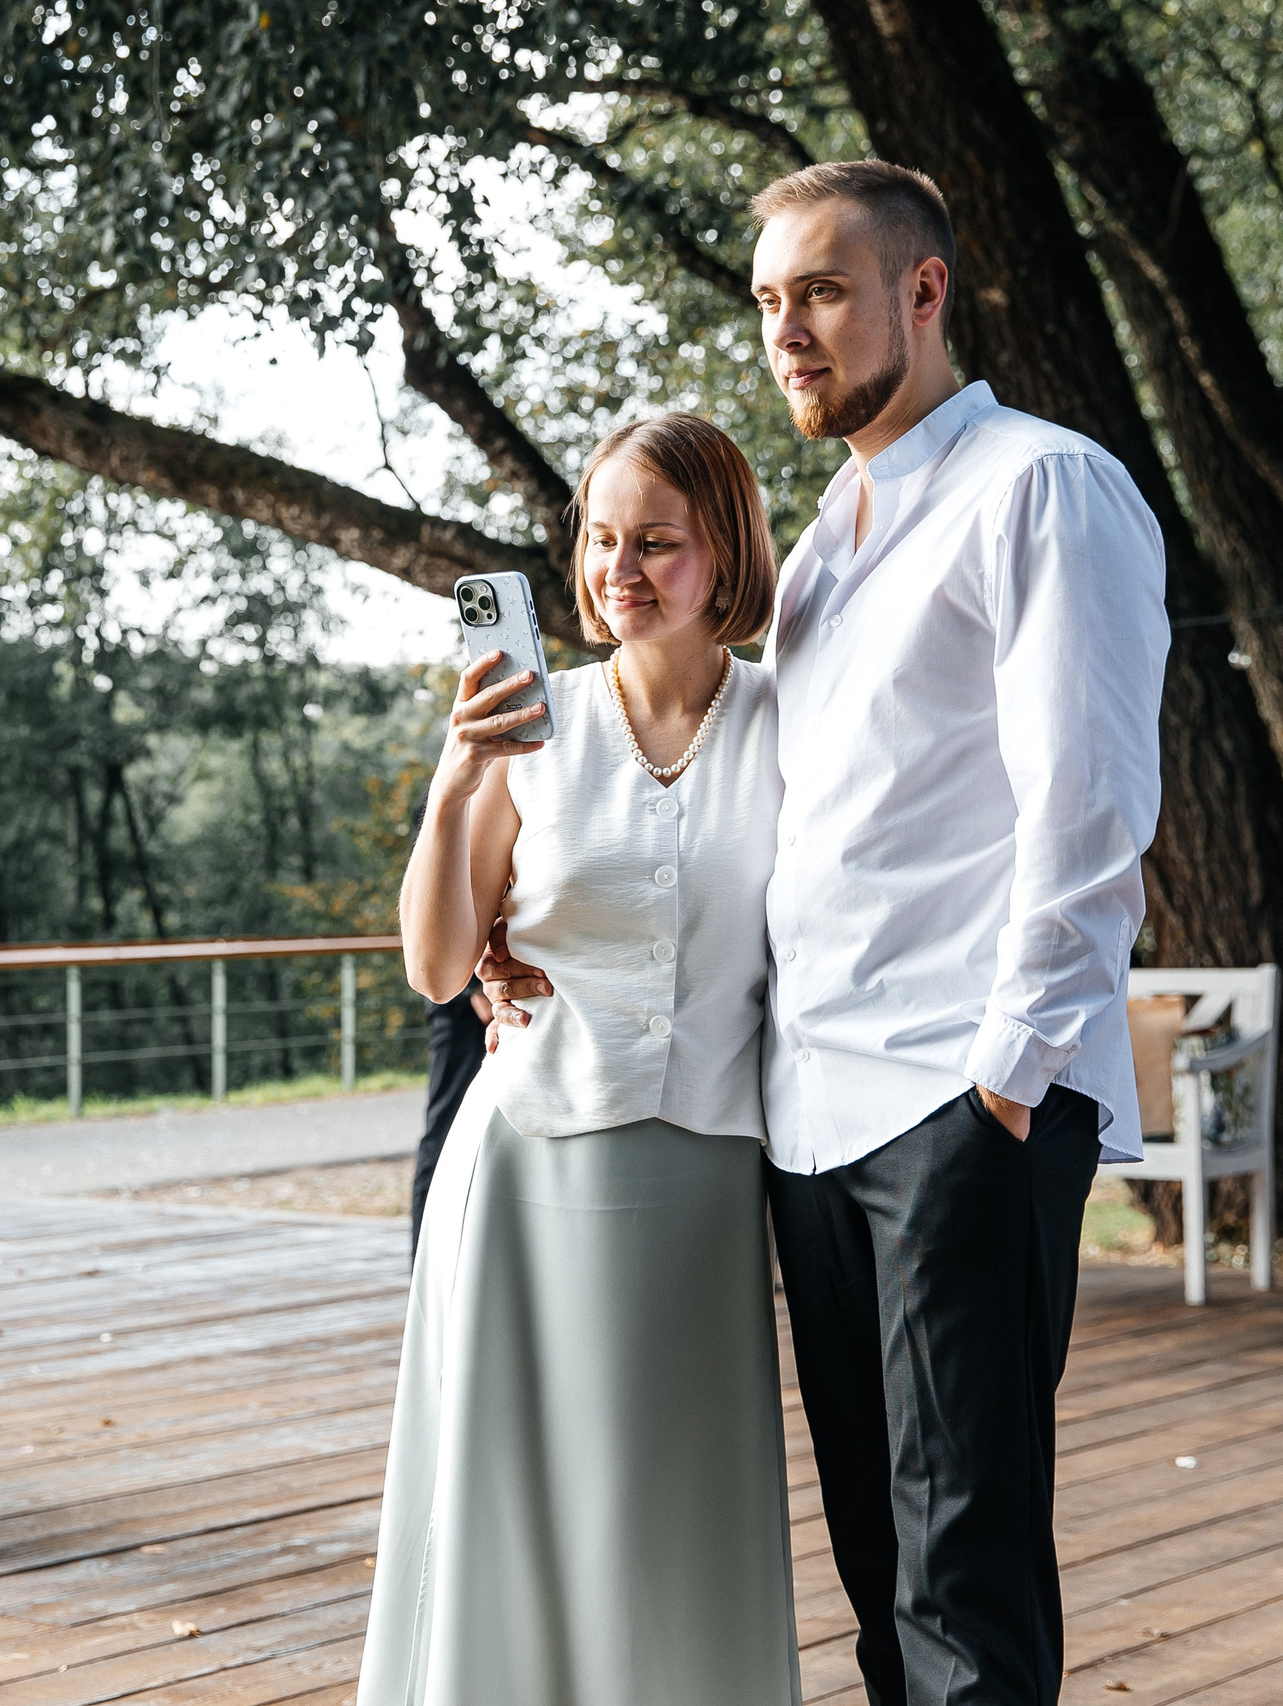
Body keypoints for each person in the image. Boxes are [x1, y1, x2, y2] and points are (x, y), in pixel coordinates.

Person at [481, 161, 1169, 1705]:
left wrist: (1004, 1084)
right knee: (877, 1570)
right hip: (810, 1118)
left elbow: (1091, 810)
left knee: (963, 1585)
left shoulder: (1040, 487)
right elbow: (765, 826)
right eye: (768, 301)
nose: (787, 331)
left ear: (923, 293)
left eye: (823, 293)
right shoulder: (824, 547)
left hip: (955, 1099)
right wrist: (533, 939)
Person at [359, 413, 801, 1704]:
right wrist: (455, 784)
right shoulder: (531, 720)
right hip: (525, 1163)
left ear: (725, 549)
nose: (619, 570)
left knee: (673, 1513)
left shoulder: (792, 719)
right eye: (601, 540)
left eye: (656, 541)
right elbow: (438, 964)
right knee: (512, 1506)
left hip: (707, 1172)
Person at [407, 978, 487, 1254]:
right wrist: (474, 988)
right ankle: (423, 1263)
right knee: (443, 1135)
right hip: (463, 998)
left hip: (500, 992)